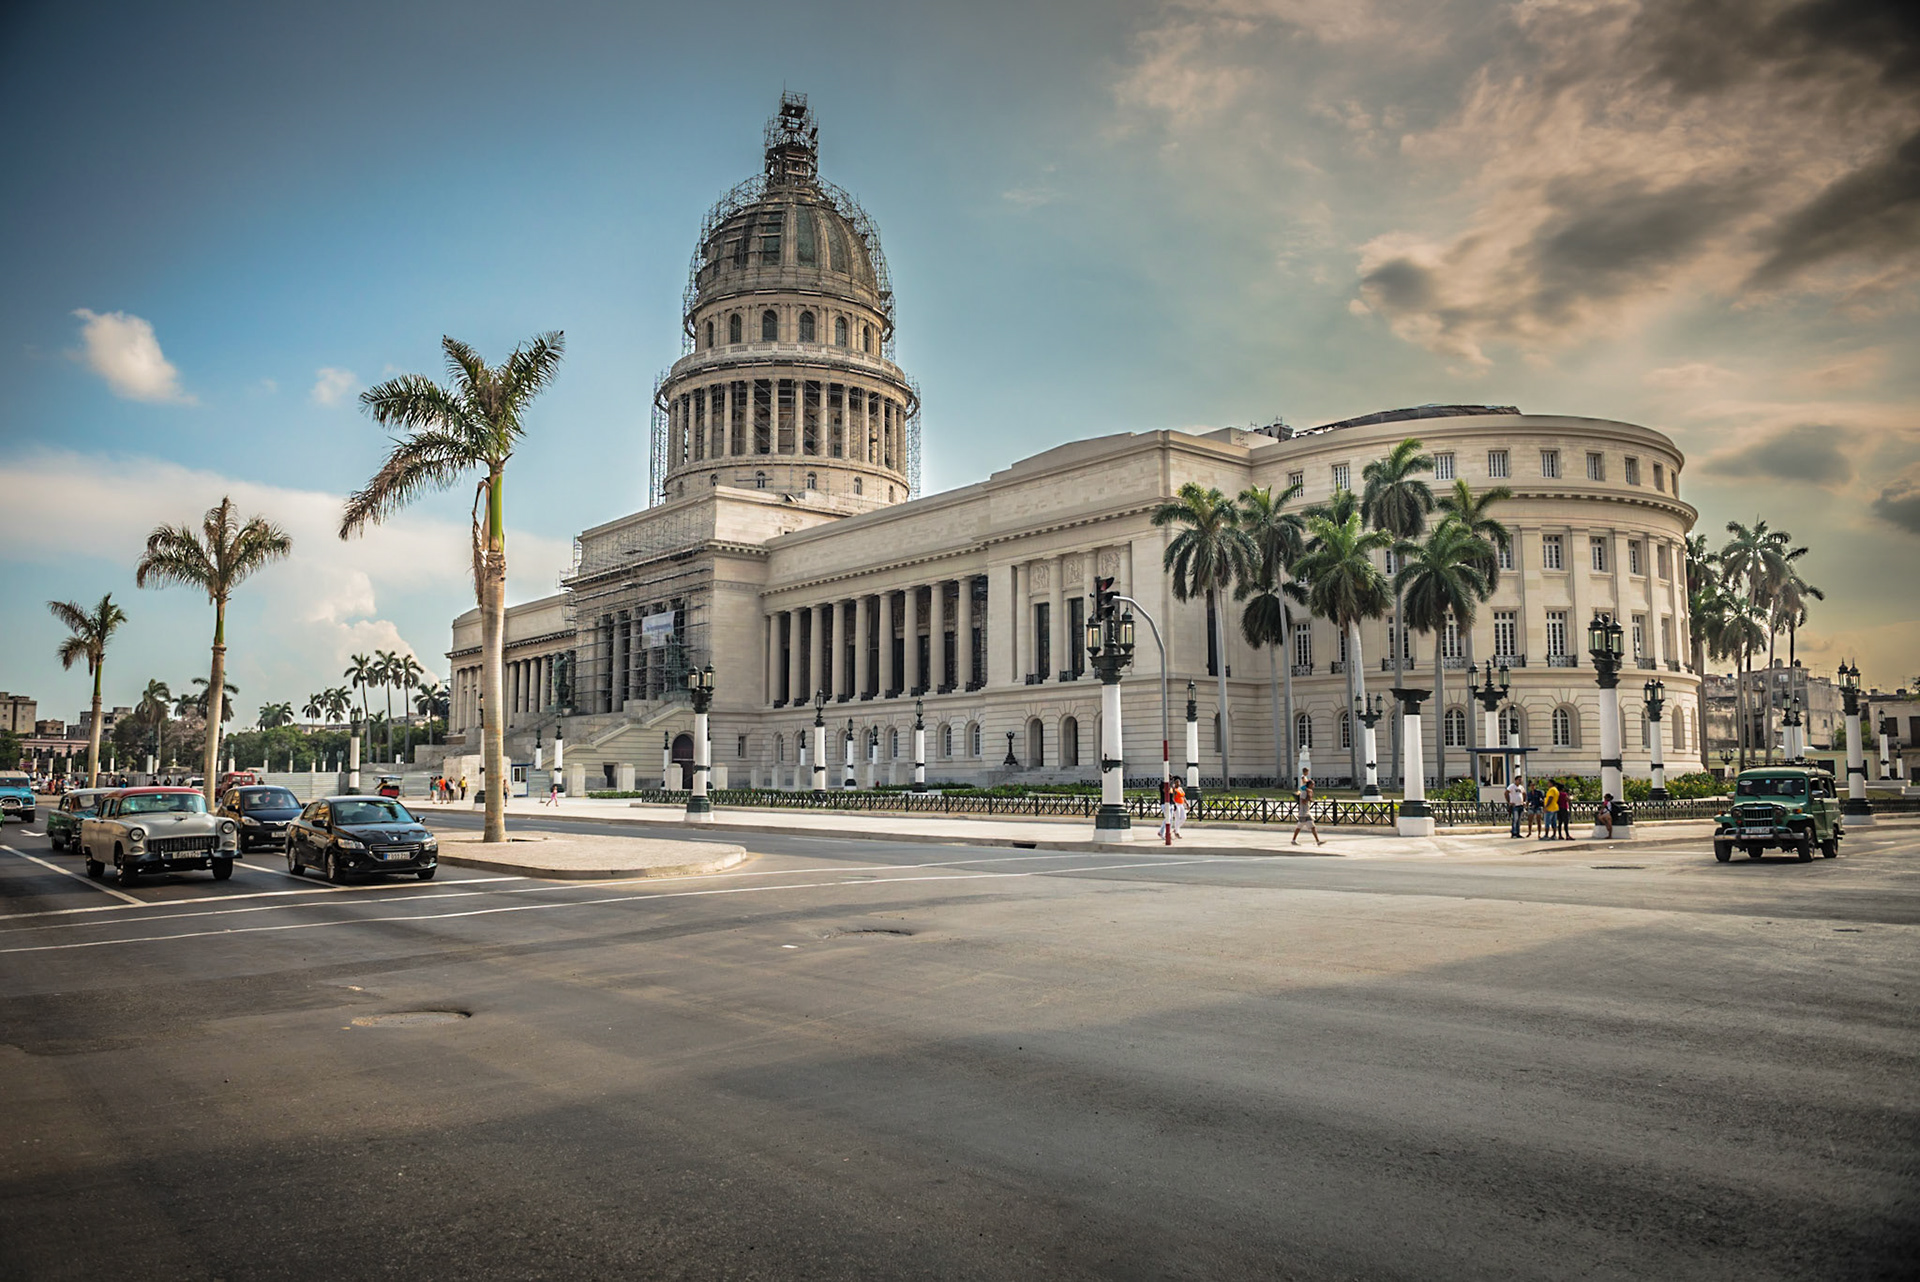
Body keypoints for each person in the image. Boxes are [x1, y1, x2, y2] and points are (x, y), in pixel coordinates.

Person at [1291, 771, 1323, 846]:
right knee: (1309, 827)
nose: (1313, 786)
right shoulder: (1304, 792)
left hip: (1305, 812)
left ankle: (1294, 840)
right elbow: (1303, 801)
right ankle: (1317, 841)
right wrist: (1308, 798)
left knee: (1301, 827)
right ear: (1309, 785)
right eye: (1312, 784)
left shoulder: (1308, 792)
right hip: (1303, 813)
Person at [1505, 773, 1527, 838]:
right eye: (1519, 780)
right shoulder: (1512, 786)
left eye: (1521, 780)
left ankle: (1518, 832)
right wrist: (1509, 802)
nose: (1520, 781)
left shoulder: (1521, 787)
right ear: (1516, 780)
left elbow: (1524, 793)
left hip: (1520, 805)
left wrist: (1524, 801)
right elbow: (1506, 793)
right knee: (1515, 819)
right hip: (1515, 805)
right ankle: (1513, 833)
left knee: (1519, 820)